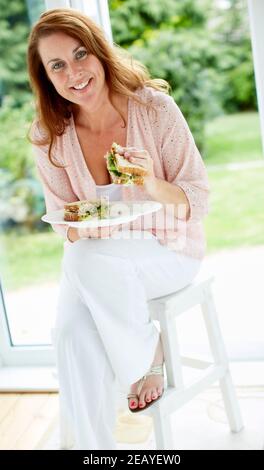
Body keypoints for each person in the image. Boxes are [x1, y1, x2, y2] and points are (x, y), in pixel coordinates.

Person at [27, 7, 210, 450]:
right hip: (96, 261)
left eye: (80, 54)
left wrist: (150, 182)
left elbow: (198, 200)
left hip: (168, 252)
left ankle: (144, 354)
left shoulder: (154, 109)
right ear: (47, 78)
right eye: (57, 65)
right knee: (71, 334)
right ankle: (89, 448)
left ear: (100, 52)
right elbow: (64, 223)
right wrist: (82, 226)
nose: (74, 73)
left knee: (85, 261)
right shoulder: (48, 134)